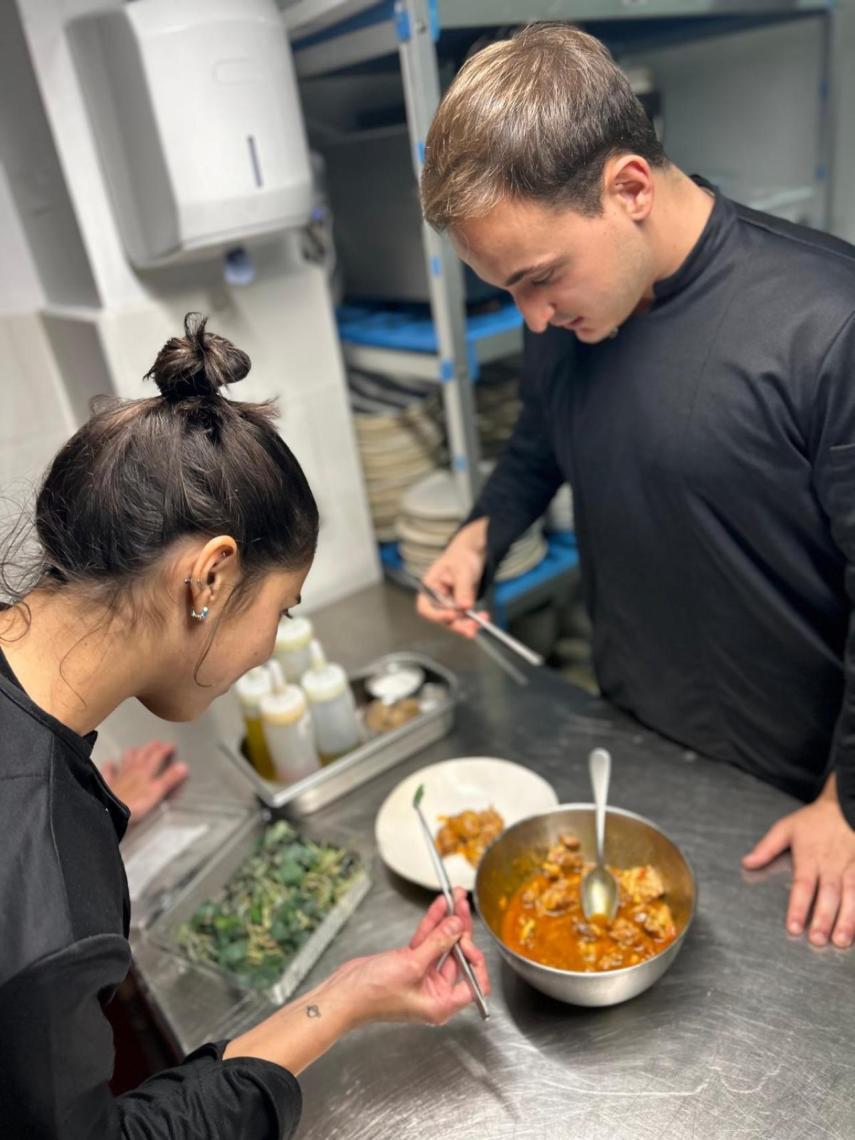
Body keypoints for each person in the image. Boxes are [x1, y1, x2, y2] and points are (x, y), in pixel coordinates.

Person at [416, 22, 855, 951]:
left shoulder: (827, 325)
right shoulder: (567, 316)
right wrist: (480, 536)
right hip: (634, 738)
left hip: (795, 791)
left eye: (537, 279)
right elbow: (542, 438)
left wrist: (843, 802)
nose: (532, 316)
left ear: (628, 189)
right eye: (506, 293)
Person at [0, 314, 489, 1139]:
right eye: (281, 609)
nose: (270, 647)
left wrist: (76, 801)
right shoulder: (48, 909)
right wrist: (341, 1003)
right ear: (212, 577)